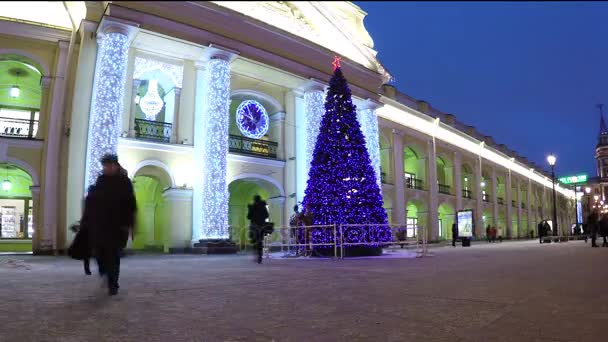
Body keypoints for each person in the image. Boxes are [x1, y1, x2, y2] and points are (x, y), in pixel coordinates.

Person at [90, 154, 137, 296]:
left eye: (109, 165)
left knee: (113, 255)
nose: (106, 168)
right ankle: (104, 271)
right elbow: (95, 201)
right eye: (104, 166)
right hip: (101, 224)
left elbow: (131, 204)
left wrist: (130, 225)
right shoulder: (101, 180)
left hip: (118, 225)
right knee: (99, 252)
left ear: (116, 166)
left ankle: (113, 284)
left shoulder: (125, 181)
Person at [247, 195, 269, 264]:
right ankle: (260, 256)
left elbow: (248, 216)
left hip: (254, 225)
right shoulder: (263, 206)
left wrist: (250, 209)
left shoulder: (253, 206)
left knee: (254, 239)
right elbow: (267, 215)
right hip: (262, 225)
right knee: (260, 240)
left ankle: (257, 253)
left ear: (255, 200)